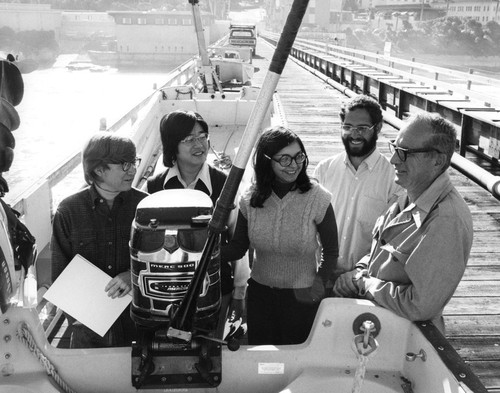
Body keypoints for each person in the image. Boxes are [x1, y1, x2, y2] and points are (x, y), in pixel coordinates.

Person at [332, 112, 473, 334]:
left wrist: (364, 284)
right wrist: (357, 272)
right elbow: (380, 252)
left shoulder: (446, 220)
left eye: (405, 153)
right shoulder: (409, 196)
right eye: (395, 149)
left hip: (405, 339)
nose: (394, 160)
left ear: (438, 160)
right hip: (378, 326)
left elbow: (420, 305)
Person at [221, 126, 339, 345]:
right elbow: (238, 247)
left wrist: (317, 286)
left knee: (296, 362)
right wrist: (203, 252)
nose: (294, 165)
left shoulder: (318, 199)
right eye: (284, 159)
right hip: (260, 297)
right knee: (262, 362)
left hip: (302, 298)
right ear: (267, 161)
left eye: (298, 157)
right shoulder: (250, 200)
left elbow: (331, 252)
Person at [146, 109, 249, 337]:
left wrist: (240, 292)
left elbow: (237, 242)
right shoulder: (154, 188)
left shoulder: (225, 185)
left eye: (202, 137)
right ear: (172, 144)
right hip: (165, 292)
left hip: (214, 290)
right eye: (189, 139)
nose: (199, 144)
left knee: (209, 352)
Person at [51, 132, 148, 348]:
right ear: (98, 169)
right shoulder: (68, 211)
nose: (132, 169)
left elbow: (161, 265)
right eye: (124, 164)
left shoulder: (146, 207)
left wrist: (133, 275)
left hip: (136, 322)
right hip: (88, 330)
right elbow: (60, 274)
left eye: (134, 162)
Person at [314, 94, 403, 280]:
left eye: (362, 128)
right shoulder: (323, 170)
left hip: (363, 280)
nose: (354, 134)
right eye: (347, 127)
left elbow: (393, 239)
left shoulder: (394, 180)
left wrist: (359, 274)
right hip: (320, 277)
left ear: (378, 128)